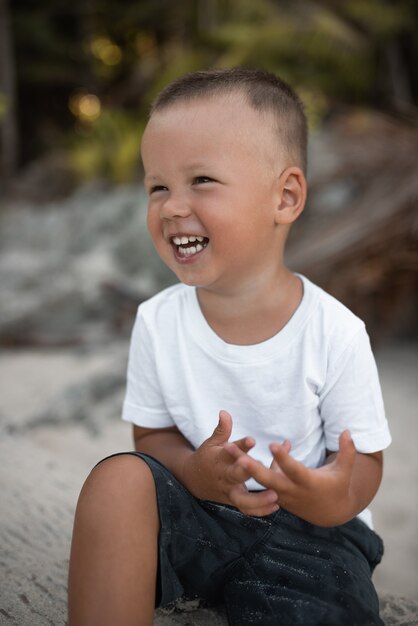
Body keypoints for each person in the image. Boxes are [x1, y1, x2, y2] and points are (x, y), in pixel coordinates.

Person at [68, 68, 391, 626]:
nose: (171, 206)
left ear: (285, 197)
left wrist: (329, 495)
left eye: (201, 181)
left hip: (309, 537)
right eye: (158, 185)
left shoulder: (334, 331)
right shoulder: (158, 320)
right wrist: (194, 472)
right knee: (117, 480)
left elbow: (362, 460)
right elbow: (153, 437)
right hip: (202, 517)